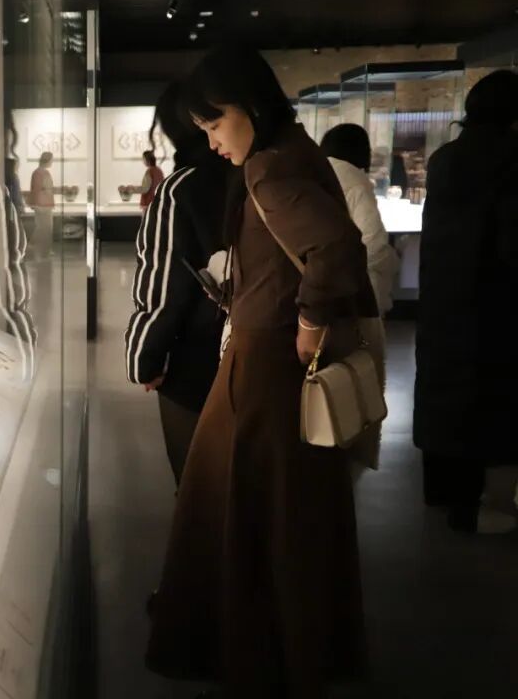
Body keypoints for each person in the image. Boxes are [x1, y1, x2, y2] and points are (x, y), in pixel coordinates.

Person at [146, 47, 377, 698]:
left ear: (248, 106)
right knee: (276, 509)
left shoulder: (270, 168)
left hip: (268, 362)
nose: (213, 142)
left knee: (248, 508)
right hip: (264, 352)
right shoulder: (292, 152)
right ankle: (284, 649)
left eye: (215, 124)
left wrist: (308, 322)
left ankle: (256, 655)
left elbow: (335, 249)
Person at [415, 69, 518, 534]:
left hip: (443, 297)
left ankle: (442, 492)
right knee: (488, 403)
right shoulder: (510, 160)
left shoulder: (446, 159)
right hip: (495, 303)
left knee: (444, 395)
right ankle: (476, 508)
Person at [125, 82, 228, 487]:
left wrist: (144, 360)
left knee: (199, 486)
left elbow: (162, 286)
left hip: (196, 362)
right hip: (259, 356)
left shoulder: (182, 188)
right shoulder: (254, 175)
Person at [320, 124, 401, 316]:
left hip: (317, 282)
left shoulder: (314, 172)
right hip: (354, 289)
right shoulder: (355, 180)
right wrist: (393, 261)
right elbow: (373, 244)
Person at [28, 151, 56, 256]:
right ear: (47, 160)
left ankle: (39, 247)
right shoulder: (41, 173)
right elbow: (38, 189)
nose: (52, 162)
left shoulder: (39, 172)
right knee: (45, 228)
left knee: (43, 227)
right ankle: (41, 248)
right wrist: (35, 203)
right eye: (51, 160)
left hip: (43, 204)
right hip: (43, 204)